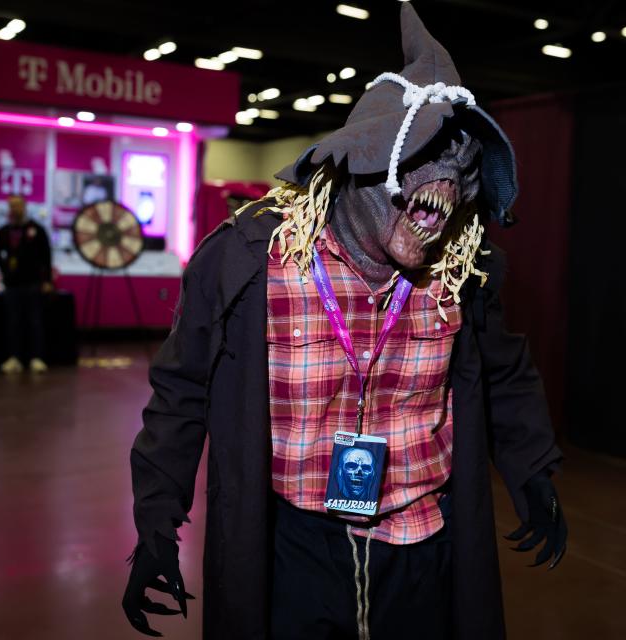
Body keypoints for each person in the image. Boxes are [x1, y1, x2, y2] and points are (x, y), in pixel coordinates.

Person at [124, 6, 566, 640]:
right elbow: (181, 392)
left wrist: (532, 471)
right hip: (294, 548)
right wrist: (156, 519)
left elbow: (505, 373)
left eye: (465, 167)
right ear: (359, 163)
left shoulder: (463, 268)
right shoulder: (249, 260)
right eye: (425, 155)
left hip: (423, 545)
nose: (451, 180)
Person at [0, 195, 52, 374]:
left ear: (25, 207)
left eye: (18, 205)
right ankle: (14, 357)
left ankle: (36, 358)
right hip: (12, 284)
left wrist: (47, 280)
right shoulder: (4, 231)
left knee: (34, 321)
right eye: (12, 206)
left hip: (33, 282)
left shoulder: (37, 230)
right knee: (13, 321)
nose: (15, 209)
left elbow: (46, 257)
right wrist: (4, 269)